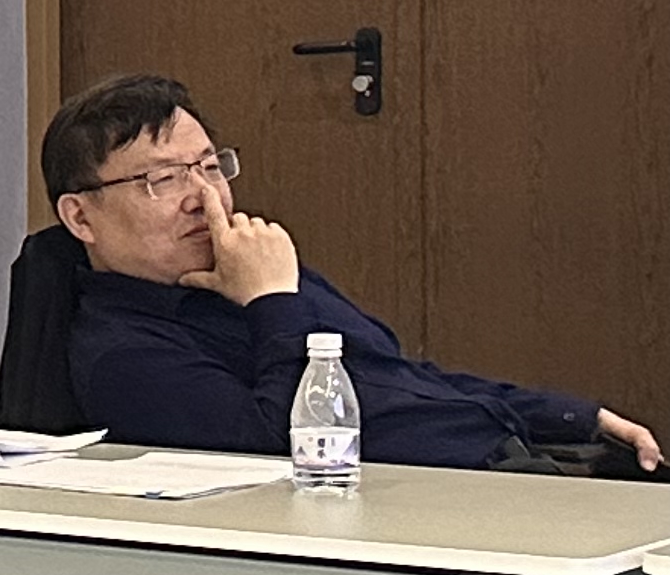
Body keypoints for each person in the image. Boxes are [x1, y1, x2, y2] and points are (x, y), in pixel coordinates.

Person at [45, 74, 660, 471]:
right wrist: (271, 302)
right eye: (162, 179)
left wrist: (570, 415)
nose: (205, 198)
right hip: (439, 525)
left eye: (210, 167)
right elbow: (282, 453)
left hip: (510, 463)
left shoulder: (251, 273)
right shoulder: (124, 354)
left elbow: (399, 375)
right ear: (80, 217)